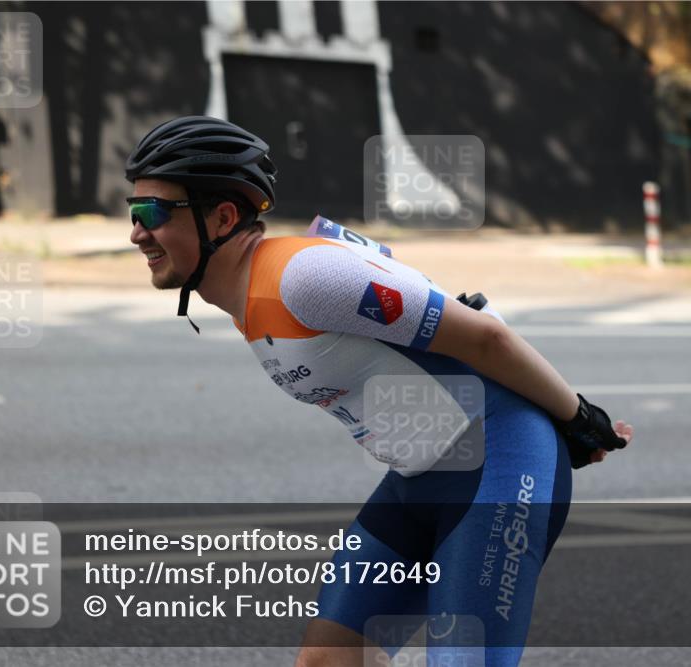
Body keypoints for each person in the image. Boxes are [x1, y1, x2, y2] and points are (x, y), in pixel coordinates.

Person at [125, 116, 634, 667]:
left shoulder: (303, 277)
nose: (136, 233)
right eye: (134, 214)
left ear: (222, 217)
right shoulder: (248, 296)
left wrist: (580, 420)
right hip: (417, 481)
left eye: (151, 213)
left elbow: (485, 336)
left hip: (500, 466)